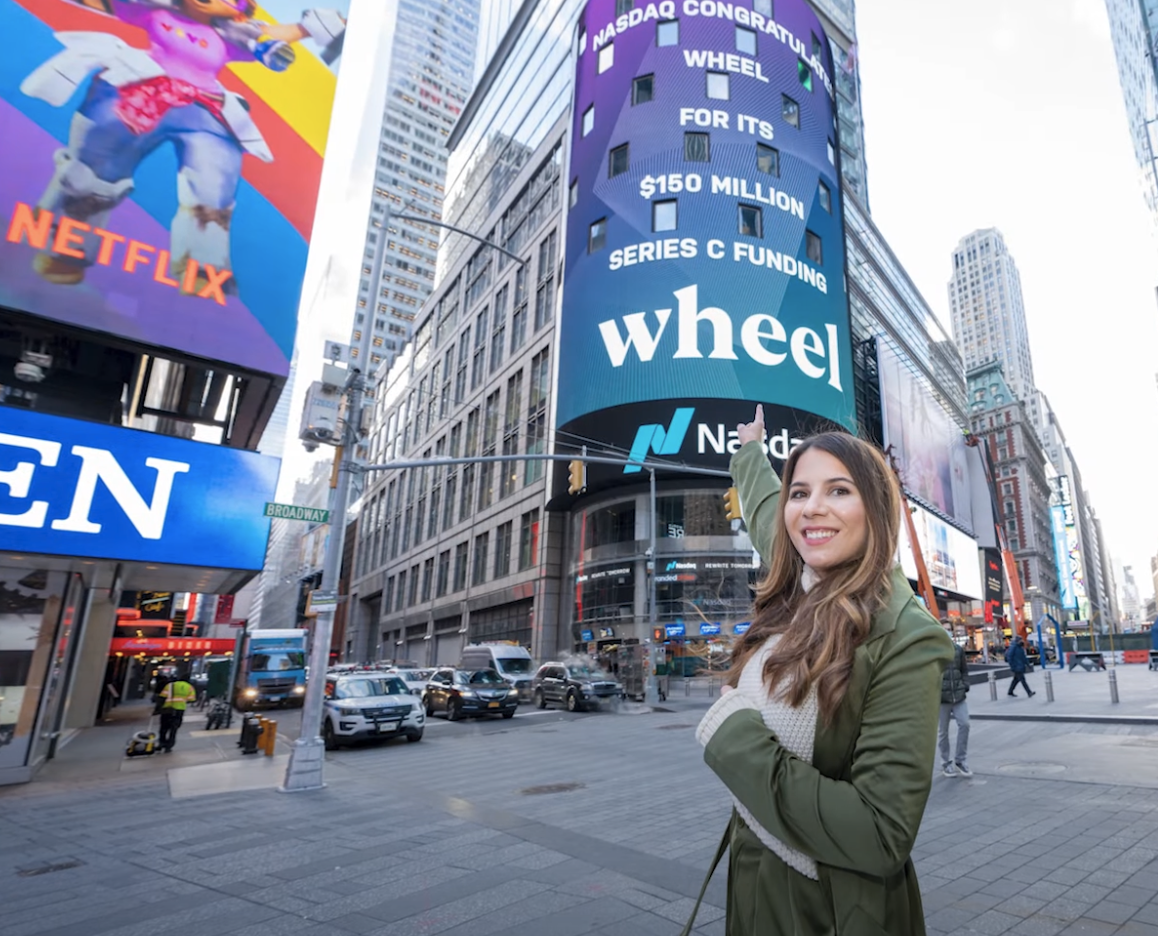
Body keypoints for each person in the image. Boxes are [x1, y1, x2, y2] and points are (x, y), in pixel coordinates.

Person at [685, 405, 954, 936]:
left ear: (876, 509)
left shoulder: (907, 636)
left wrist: (734, 738)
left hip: (830, 911)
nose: (812, 509)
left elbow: (881, 834)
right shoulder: (803, 577)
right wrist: (750, 451)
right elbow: (766, 509)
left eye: (839, 490)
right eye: (800, 493)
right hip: (755, 889)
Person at [939, 639, 972, 777]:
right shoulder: (934, 650)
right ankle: (945, 762)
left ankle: (960, 760)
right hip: (942, 698)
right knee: (943, 732)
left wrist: (965, 685)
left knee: (965, 724)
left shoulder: (958, 649)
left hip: (959, 695)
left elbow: (964, 669)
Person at [158, 671, 197, 752]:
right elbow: (191, 699)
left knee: (163, 728)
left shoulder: (170, 685)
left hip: (167, 709)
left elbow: (162, 696)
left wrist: (158, 708)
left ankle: (162, 743)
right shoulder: (189, 687)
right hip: (179, 710)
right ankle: (169, 746)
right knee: (174, 729)